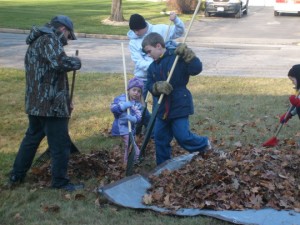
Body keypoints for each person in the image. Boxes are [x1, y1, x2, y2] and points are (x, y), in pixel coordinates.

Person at [8, 15, 83, 191]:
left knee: (31, 139)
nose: (68, 41)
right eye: (69, 37)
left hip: (36, 103)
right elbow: (60, 63)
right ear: (63, 29)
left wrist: (67, 99)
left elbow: (49, 72)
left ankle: (16, 175)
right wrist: (76, 62)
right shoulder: (50, 39)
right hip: (50, 105)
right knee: (60, 145)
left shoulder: (37, 41)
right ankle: (60, 182)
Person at [142, 32, 212, 165]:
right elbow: (149, 85)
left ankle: (204, 144)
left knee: (183, 136)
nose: (148, 55)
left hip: (179, 104)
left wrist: (189, 56)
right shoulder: (152, 67)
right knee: (160, 138)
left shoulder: (177, 58)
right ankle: (163, 166)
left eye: (149, 51)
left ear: (158, 46)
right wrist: (157, 87)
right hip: (162, 109)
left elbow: (196, 69)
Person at [127, 13, 185, 131]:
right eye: (133, 30)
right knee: (136, 105)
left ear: (144, 26)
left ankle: (153, 131)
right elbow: (139, 62)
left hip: (159, 78)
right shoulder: (133, 42)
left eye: (138, 30)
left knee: (157, 107)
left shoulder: (161, 29)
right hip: (141, 77)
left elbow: (179, 32)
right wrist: (155, 66)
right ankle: (137, 128)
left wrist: (176, 21)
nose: (136, 33)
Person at [110, 77, 144, 164]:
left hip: (131, 128)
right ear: (128, 90)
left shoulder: (138, 104)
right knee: (130, 144)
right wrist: (123, 106)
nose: (136, 93)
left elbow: (139, 117)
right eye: (134, 90)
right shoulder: (121, 99)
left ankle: (126, 162)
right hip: (121, 126)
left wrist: (134, 119)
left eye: (139, 91)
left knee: (127, 146)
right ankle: (136, 157)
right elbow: (113, 109)